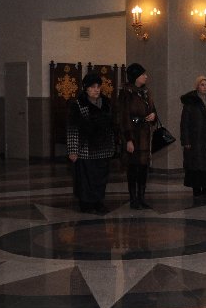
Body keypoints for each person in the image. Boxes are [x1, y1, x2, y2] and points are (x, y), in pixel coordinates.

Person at [66, 73, 115, 214]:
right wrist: (73, 150)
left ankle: (98, 202)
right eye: (93, 87)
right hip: (86, 149)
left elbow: (111, 127)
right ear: (85, 88)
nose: (96, 90)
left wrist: (112, 146)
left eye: (98, 87)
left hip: (103, 149)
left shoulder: (106, 104)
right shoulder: (78, 104)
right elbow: (72, 129)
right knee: (86, 179)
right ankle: (86, 203)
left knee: (101, 178)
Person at [117, 63, 158, 209]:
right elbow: (123, 118)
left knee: (143, 169)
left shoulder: (146, 92)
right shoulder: (126, 93)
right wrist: (128, 139)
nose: (146, 76)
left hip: (145, 137)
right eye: (143, 74)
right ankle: (133, 199)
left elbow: (152, 110)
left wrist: (153, 116)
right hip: (133, 137)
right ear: (135, 77)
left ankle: (142, 198)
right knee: (133, 168)